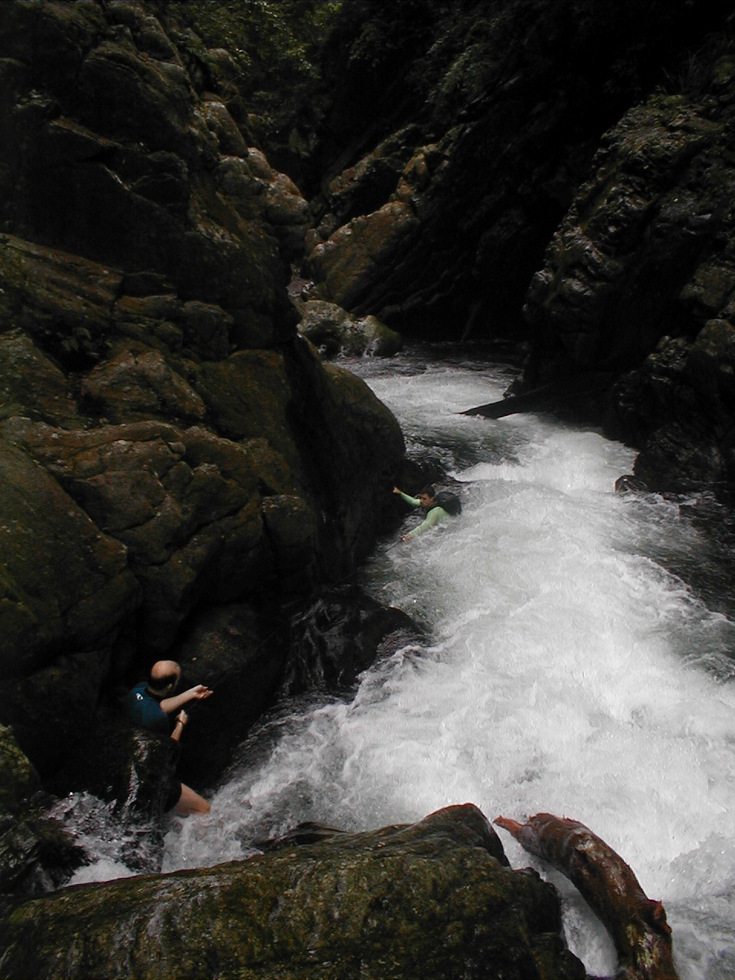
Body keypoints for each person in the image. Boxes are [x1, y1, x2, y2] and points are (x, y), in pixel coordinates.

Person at [124, 660, 213, 816]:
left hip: (129, 759)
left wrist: (191, 693)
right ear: (170, 687)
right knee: (204, 810)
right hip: (149, 777)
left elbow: (158, 706)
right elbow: (168, 752)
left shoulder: (137, 691)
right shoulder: (157, 721)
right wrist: (180, 724)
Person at [392, 484, 461, 541]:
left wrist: (409, 536)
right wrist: (400, 493)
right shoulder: (427, 502)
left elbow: (424, 527)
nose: (421, 501)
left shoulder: (435, 511)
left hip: (452, 529)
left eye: (424, 498)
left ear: (431, 499)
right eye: (420, 498)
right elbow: (413, 501)